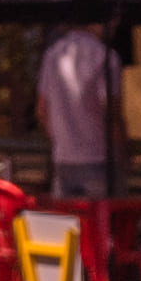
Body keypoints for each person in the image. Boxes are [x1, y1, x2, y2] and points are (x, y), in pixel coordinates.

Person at [40, 23, 114, 197]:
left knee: (66, 214)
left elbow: (42, 110)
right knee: (101, 214)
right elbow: (112, 112)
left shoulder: (53, 54)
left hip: (63, 158)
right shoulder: (105, 56)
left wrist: (61, 139)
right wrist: (122, 153)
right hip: (97, 158)